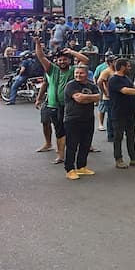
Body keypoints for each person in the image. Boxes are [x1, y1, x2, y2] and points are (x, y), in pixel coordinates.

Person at [34, 36, 90, 164]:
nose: (62, 62)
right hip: (54, 106)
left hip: (70, 107)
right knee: (59, 131)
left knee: (73, 130)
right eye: (60, 60)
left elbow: (85, 60)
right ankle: (60, 155)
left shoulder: (73, 71)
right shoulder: (51, 70)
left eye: (65, 59)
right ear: (56, 61)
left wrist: (70, 51)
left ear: (69, 61)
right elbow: (41, 57)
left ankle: (77, 153)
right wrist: (37, 43)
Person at [108, 59, 135, 169]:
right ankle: (118, 159)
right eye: (128, 66)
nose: (130, 68)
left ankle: (134, 158)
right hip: (118, 112)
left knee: (131, 136)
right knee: (118, 136)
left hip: (130, 112)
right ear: (122, 67)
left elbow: (132, 88)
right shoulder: (114, 79)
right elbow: (126, 91)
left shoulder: (126, 78)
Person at [62, 65, 101, 180]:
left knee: (86, 144)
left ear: (87, 73)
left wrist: (86, 97)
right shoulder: (71, 85)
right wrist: (90, 98)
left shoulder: (91, 85)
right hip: (72, 119)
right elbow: (78, 98)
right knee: (72, 145)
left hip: (88, 118)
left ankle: (81, 166)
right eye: (76, 73)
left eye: (81, 73)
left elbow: (100, 97)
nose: (78, 75)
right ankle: (69, 169)